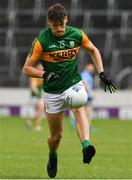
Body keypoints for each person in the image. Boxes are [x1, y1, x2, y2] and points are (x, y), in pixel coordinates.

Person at [22, 3, 116, 178]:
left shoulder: (77, 34)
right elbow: (26, 69)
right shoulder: (41, 40)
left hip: (73, 84)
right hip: (52, 92)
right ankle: (52, 154)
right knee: (56, 137)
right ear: (49, 22)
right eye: (55, 25)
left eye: (61, 24)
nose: (59, 29)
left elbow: (93, 50)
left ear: (66, 20)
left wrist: (102, 73)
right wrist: (44, 74)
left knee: (79, 106)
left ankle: (86, 146)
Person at [26, 63, 44, 131]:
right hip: (35, 96)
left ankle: (33, 123)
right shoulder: (34, 76)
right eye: (39, 68)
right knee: (39, 110)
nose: (41, 69)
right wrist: (37, 94)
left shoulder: (42, 76)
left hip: (40, 96)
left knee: (40, 110)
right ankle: (36, 124)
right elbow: (33, 86)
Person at [81, 63, 95, 128]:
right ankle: (88, 126)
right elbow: (85, 82)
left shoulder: (86, 74)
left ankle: (86, 125)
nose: (92, 69)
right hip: (86, 96)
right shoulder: (85, 74)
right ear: (87, 67)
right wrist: (90, 93)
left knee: (85, 111)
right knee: (88, 111)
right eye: (91, 68)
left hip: (85, 95)